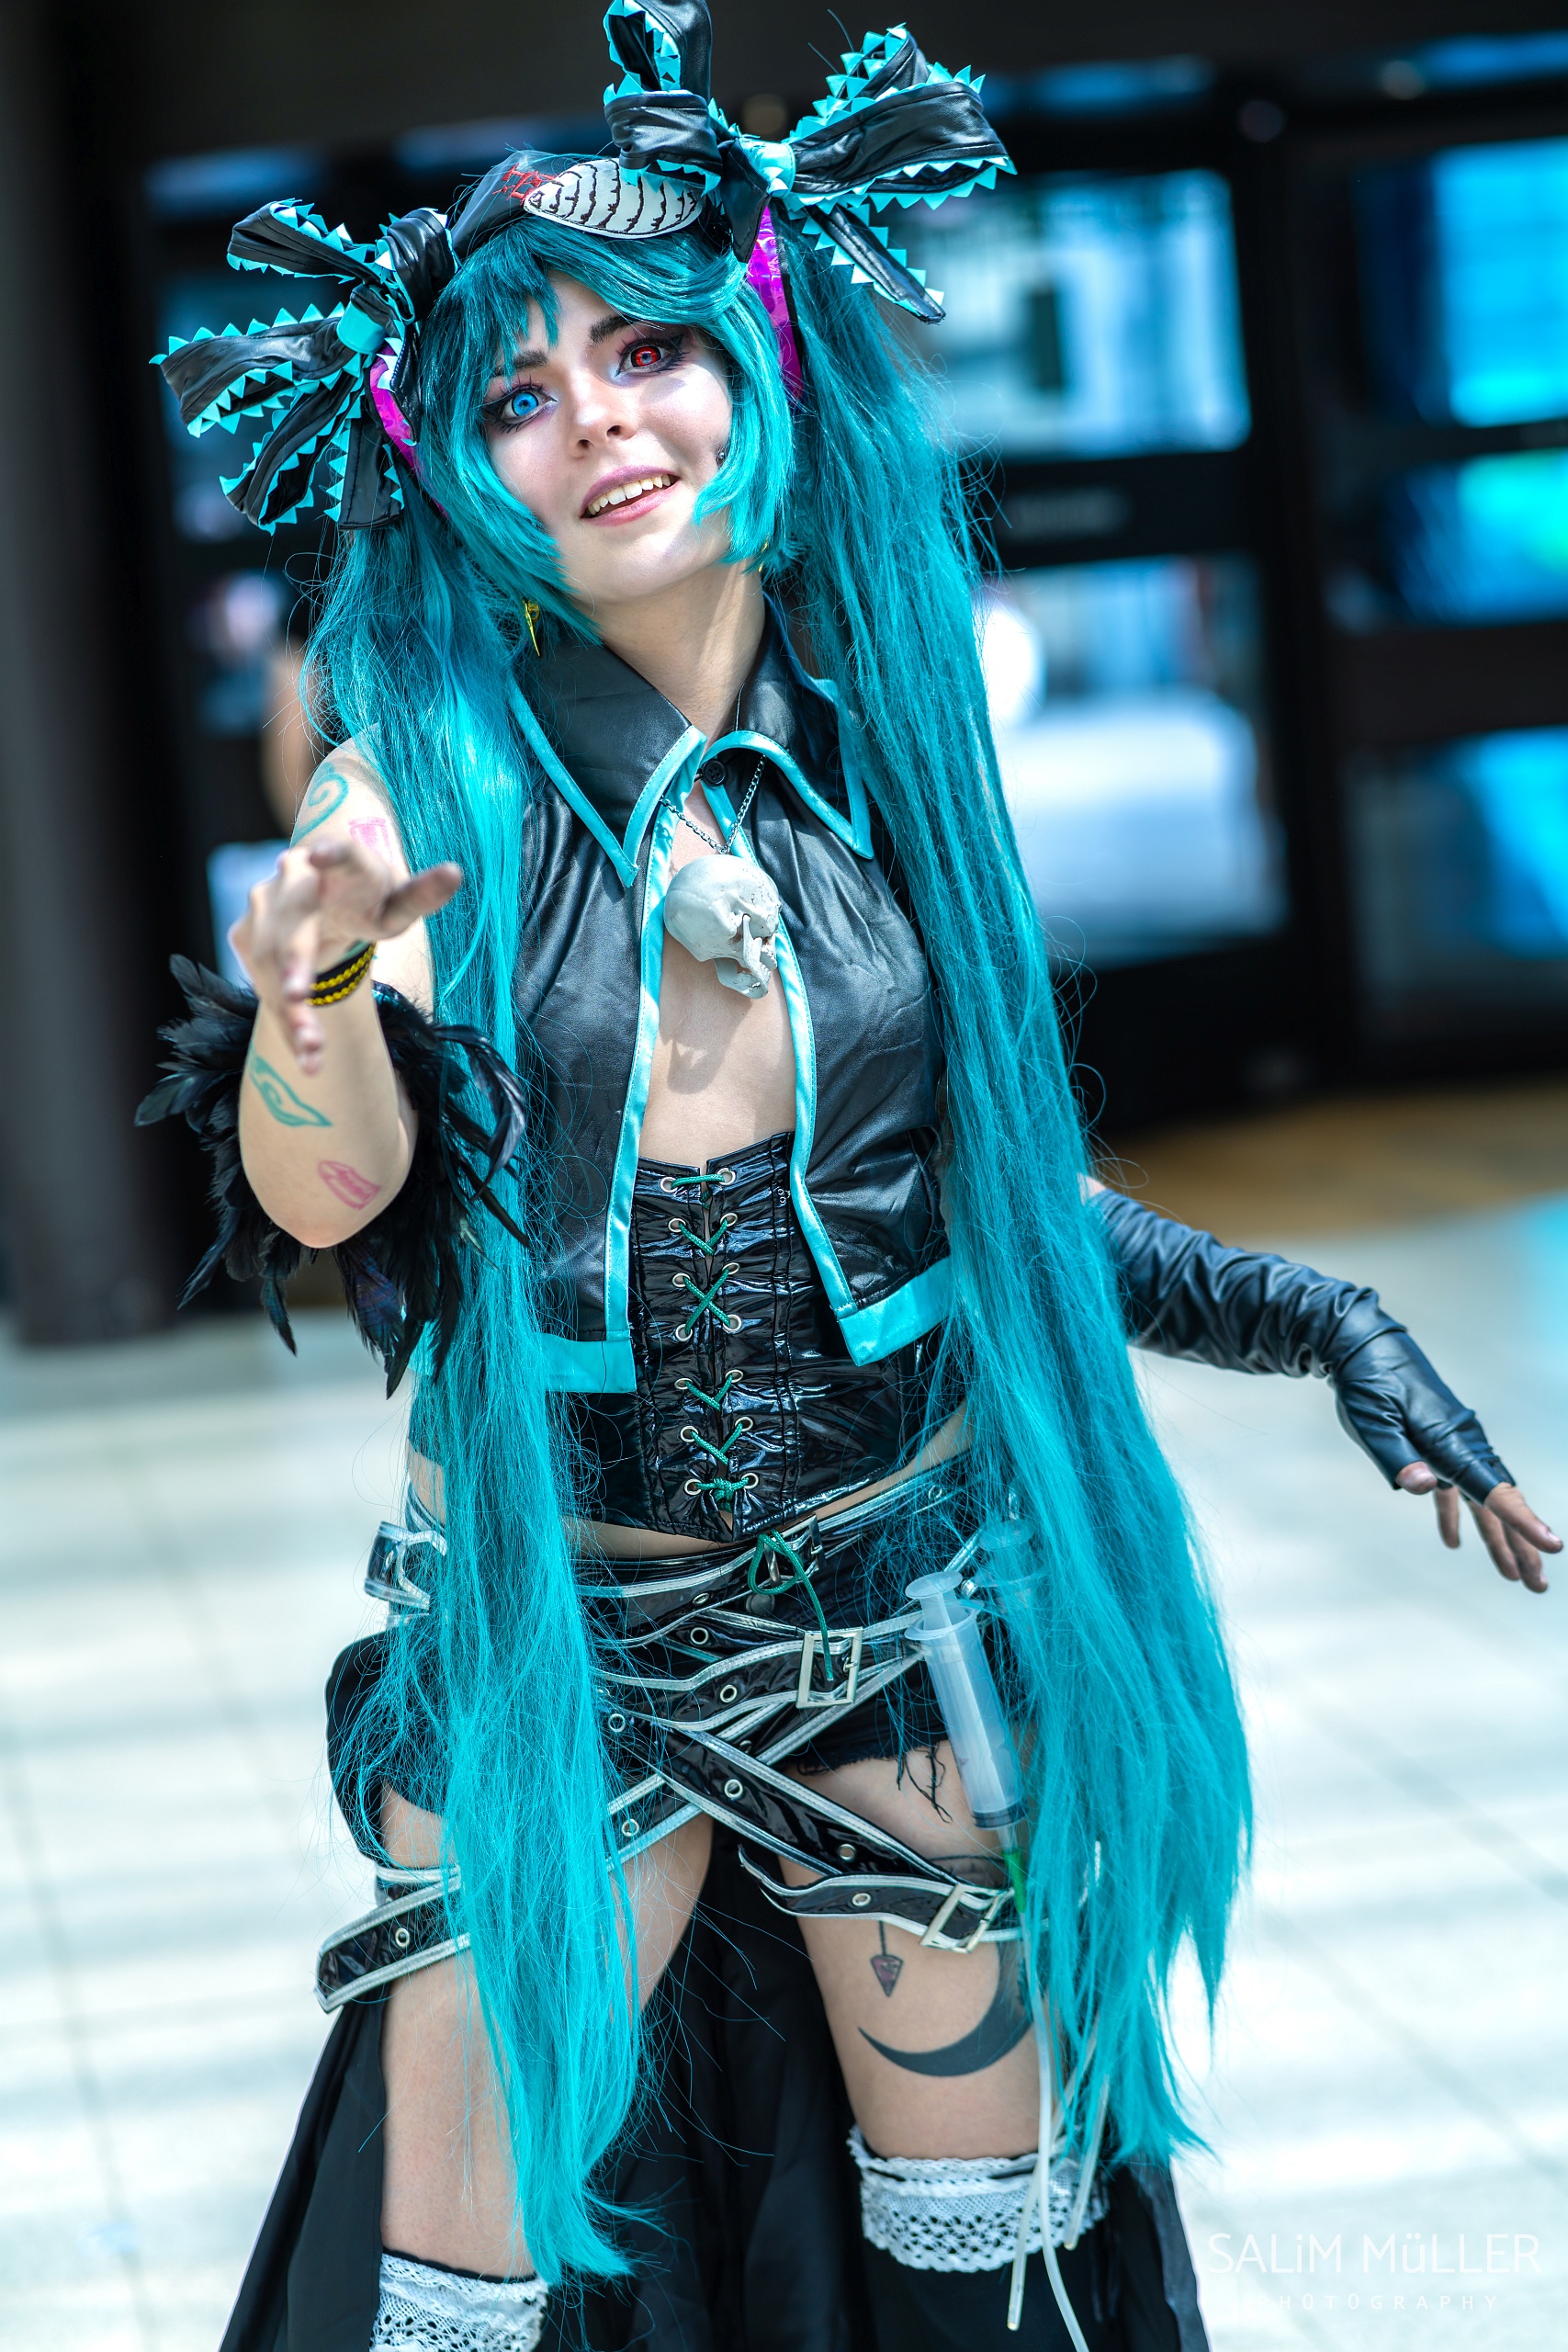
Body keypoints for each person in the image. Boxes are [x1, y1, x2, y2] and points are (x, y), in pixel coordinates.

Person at [141, 10, 1559, 2349]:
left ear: (756, 366)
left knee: (978, 2270)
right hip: (552, 1657)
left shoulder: (886, 763)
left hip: (895, 1630)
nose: (597, 420)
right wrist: (309, 1001)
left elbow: (977, 1216)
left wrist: (1317, 1317)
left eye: (643, 351)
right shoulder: (415, 784)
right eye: (520, 392)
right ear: (461, 462)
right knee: (450, 2304)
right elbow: (329, 1198)